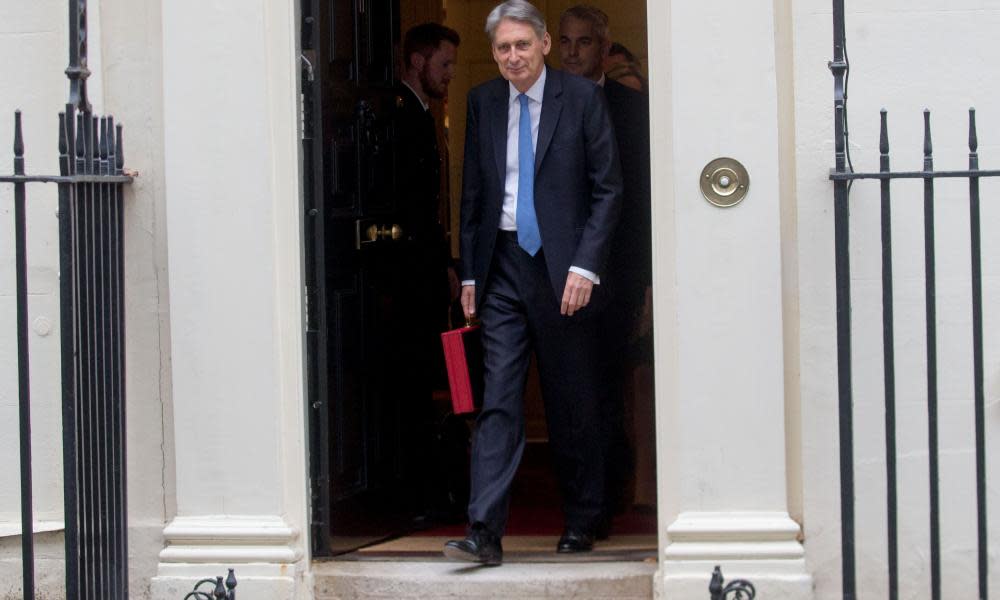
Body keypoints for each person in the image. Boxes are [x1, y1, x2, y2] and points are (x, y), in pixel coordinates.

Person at [443, 0, 622, 565]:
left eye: (522, 45)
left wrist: (585, 266)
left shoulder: (585, 99)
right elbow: (474, 196)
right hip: (502, 268)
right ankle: (484, 531)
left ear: (544, 44)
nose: (513, 56)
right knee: (497, 399)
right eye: (502, 48)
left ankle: (583, 519)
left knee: (572, 400)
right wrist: (470, 272)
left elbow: (608, 190)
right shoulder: (482, 103)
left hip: (564, 270)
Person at [559, 5, 653, 529]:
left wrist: (643, 282)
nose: (573, 52)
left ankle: (608, 495)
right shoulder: (537, 104)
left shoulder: (631, 110)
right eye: (565, 42)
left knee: (608, 386)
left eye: (584, 43)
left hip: (616, 275)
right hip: (553, 275)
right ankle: (577, 496)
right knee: (570, 389)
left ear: (603, 46)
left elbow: (639, 201)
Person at [392, 22, 463, 519]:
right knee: (414, 383)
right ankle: (416, 496)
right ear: (418, 62)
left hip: (428, 271)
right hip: (405, 279)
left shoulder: (425, 115)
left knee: (436, 379)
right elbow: (413, 207)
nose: (451, 75)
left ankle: (436, 489)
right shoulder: (399, 116)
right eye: (444, 64)